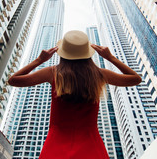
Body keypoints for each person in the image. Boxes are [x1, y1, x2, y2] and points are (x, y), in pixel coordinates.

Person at [8, 30, 141, 159]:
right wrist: (110, 57)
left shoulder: (53, 73)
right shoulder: (99, 74)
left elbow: (13, 80)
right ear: (87, 53)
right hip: (91, 145)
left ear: (63, 53)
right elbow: (136, 78)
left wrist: (39, 60)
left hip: (56, 144)